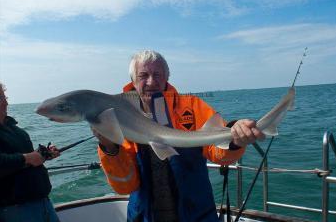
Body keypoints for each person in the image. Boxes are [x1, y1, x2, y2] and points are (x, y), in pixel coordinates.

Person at [95, 50, 265, 222]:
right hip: (145, 216)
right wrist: (109, 148)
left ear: (167, 77)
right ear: (133, 80)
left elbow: (219, 154)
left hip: (197, 214)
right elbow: (125, 186)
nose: (151, 81)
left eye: (157, 74)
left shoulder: (191, 106)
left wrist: (234, 140)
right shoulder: (118, 118)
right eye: (143, 75)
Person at [0, 82, 60, 222]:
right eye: (0, 99)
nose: (6, 103)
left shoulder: (15, 129)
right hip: (15, 210)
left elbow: (26, 157)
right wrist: (27, 158)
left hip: (43, 202)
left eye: (5, 97)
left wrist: (43, 154)